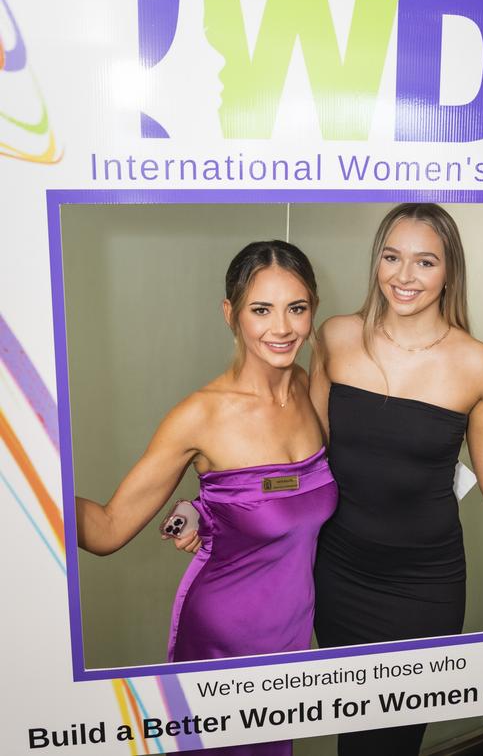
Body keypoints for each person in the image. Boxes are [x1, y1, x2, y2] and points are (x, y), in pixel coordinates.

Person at [309, 202, 483, 756]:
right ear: (376, 261)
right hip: (338, 573)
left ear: (449, 271)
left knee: (394, 741)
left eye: (425, 262)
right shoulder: (335, 336)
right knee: (355, 732)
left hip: (422, 588)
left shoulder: (479, 364)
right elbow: (304, 458)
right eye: (392, 257)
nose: (404, 277)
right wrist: (213, 503)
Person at [76, 240, 338, 756]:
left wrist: (201, 510)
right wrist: (27, 486)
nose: (282, 328)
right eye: (261, 310)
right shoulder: (199, 416)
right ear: (231, 314)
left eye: (297, 308)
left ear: (314, 309)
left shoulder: (308, 388)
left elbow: (276, 496)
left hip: (291, 627)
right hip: (224, 633)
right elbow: (106, 529)